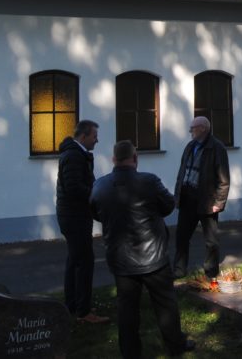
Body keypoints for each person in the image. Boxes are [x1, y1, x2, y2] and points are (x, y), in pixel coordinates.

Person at [91, 140, 194, 358]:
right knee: (165, 304)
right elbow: (168, 206)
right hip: (154, 256)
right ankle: (175, 345)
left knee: (127, 309)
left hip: (121, 258)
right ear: (135, 158)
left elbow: (96, 211)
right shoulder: (149, 181)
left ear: (113, 159)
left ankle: (130, 353)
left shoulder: (100, 185)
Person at [55, 119, 109, 324]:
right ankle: (84, 312)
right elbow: (74, 188)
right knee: (84, 262)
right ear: (84, 136)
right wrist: (96, 194)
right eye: (94, 136)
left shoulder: (75, 154)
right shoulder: (74, 156)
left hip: (72, 215)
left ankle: (73, 305)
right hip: (74, 217)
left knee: (74, 261)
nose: (97, 140)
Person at [173, 115, 230, 281]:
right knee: (181, 237)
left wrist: (219, 202)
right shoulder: (190, 146)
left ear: (203, 129)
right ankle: (179, 270)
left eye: (193, 128)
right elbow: (182, 172)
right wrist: (178, 195)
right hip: (187, 198)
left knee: (211, 240)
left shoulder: (217, 148)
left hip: (207, 200)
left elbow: (224, 178)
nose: (190, 131)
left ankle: (211, 271)